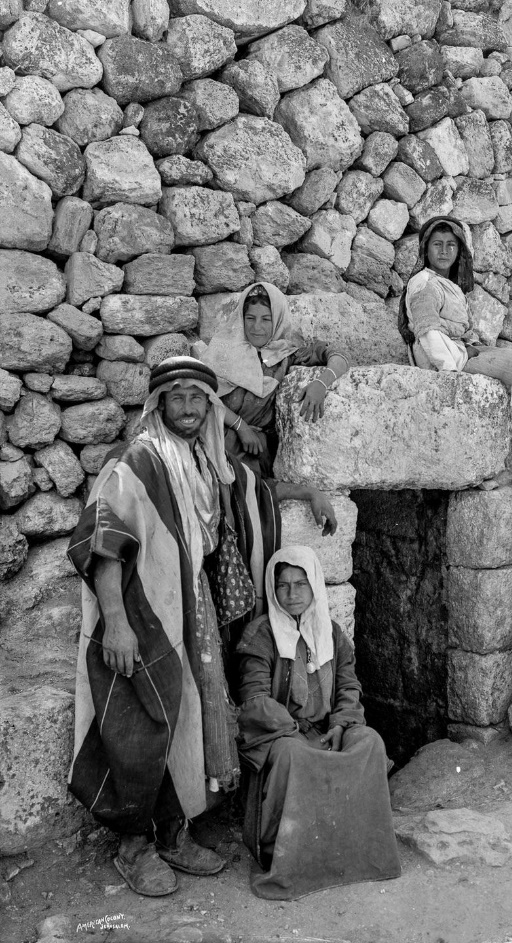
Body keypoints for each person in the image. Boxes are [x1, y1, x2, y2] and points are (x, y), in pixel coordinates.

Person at [67, 356, 337, 898]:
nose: (188, 407)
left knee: (188, 718)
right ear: (159, 403)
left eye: (198, 398)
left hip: (195, 611)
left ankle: (171, 832)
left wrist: (307, 494)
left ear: (209, 407)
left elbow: (253, 491)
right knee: (141, 723)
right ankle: (132, 845)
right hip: (146, 614)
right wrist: (116, 624)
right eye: (178, 397)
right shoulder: (137, 462)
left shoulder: (207, 460)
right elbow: (104, 542)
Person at [236, 546, 401, 900]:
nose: (292, 594)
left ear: (314, 587)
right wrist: (293, 731)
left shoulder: (332, 632)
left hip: (327, 729)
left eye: (300, 584)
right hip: (283, 733)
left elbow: (348, 686)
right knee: (294, 754)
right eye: (283, 586)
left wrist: (341, 725)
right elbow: (254, 699)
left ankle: (356, 851)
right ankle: (292, 855)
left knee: (369, 742)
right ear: (272, 589)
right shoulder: (260, 635)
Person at [194, 281, 351, 476]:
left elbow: (339, 355)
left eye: (266, 319)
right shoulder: (222, 349)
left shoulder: (285, 354)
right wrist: (239, 425)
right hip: (210, 436)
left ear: (277, 319)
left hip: (253, 452)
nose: (256, 327)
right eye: (250, 318)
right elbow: (200, 393)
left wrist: (321, 383)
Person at [398, 215, 512, 410]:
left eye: (451, 245)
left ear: (459, 251)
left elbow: (464, 329)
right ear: (426, 248)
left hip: (459, 351)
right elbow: (428, 332)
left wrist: (472, 346)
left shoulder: (449, 285)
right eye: (437, 244)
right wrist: (449, 371)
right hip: (441, 357)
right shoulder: (425, 283)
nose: (444, 251)